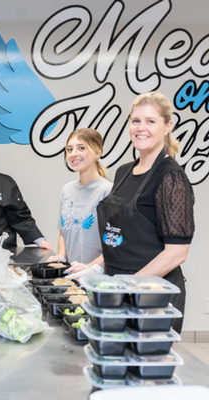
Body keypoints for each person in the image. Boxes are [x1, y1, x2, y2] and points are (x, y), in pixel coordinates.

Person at [65, 92, 195, 333]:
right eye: (135, 121)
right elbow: (121, 238)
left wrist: (128, 286)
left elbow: (176, 254)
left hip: (152, 298)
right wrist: (95, 268)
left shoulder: (170, 177)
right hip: (116, 291)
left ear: (168, 126)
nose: (141, 128)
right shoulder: (124, 171)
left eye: (150, 121)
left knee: (144, 367)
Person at [47, 128, 112, 264]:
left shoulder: (108, 191)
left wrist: (90, 268)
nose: (73, 154)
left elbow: (114, 242)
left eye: (81, 148)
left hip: (97, 278)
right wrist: (61, 257)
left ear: (97, 152)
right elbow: (63, 233)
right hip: (71, 274)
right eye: (69, 149)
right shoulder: (67, 189)